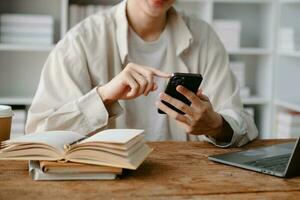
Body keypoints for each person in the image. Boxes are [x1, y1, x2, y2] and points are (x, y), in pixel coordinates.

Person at [25, 0, 258, 147]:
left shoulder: (204, 36)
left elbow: (241, 122)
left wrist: (216, 125)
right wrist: (103, 96)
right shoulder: (81, 40)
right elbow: (39, 133)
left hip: (186, 181)